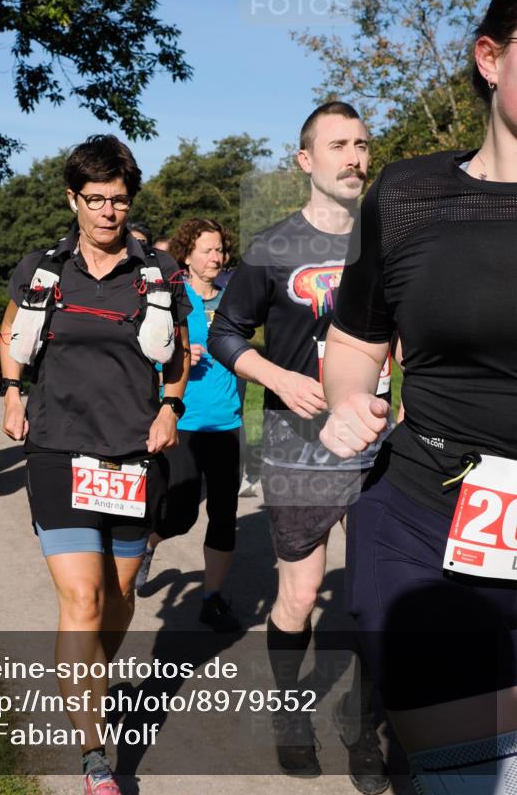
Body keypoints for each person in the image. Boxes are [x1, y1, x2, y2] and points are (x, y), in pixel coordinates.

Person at [318, 0, 517, 793]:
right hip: (427, 523)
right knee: (469, 779)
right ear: (490, 57)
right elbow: (355, 338)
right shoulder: (405, 197)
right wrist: (346, 398)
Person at [0, 134, 191, 795]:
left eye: (119, 200)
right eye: (95, 199)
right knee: (81, 598)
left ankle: (88, 680)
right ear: (73, 199)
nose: (108, 211)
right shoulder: (43, 269)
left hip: (133, 453)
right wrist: (12, 392)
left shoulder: (157, 272)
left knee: (117, 598)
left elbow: (178, 353)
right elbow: (12, 334)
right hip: (58, 448)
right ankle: (94, 754)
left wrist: (170, 408)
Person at [209, 102, 390, 791]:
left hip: (377, 442)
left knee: (378, 597)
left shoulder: (389, 241)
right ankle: (289, 709)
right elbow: (225, 333)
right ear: (305, 160)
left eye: (362, 144)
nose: (354, 157)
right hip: (298, 442)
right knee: (302, 592)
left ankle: (364, 725)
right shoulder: (272, 246)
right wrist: (278, 377)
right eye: (338, 145)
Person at [135, 218, 244, 633]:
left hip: (227, 422)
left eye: (220, 249)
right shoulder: (172, 296)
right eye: (207, 250)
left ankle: (212, 599)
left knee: (224, 514)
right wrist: (176, 356)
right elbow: (143, 354)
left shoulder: (233, 299)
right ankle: (149, 543)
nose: (216, 257)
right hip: (183, 421)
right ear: (187, 255)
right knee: (180, 513)